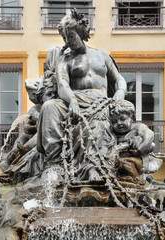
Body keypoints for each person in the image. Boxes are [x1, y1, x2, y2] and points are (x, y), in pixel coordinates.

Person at [37, 9, 127, 181]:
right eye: (64, 38)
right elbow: (62, 84)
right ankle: (56, 164)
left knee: (99, 122)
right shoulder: (65, 60)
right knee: (49, 107)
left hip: (100, 101)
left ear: (80, 32)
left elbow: (119, 80)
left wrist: (120, 93)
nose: (67, 42)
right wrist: (72, 101)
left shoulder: (102, 55)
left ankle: (93, 167)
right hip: (75, 97)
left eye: (70, 36)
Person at [110, 100, 162, 175]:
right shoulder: (113, 134)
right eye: (114, 121)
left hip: (139, 160)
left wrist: (139, 150)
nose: (119, 123)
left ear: (131, 117)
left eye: (123, 119)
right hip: (119, 163)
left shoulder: (138, 127)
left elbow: (149, 135)